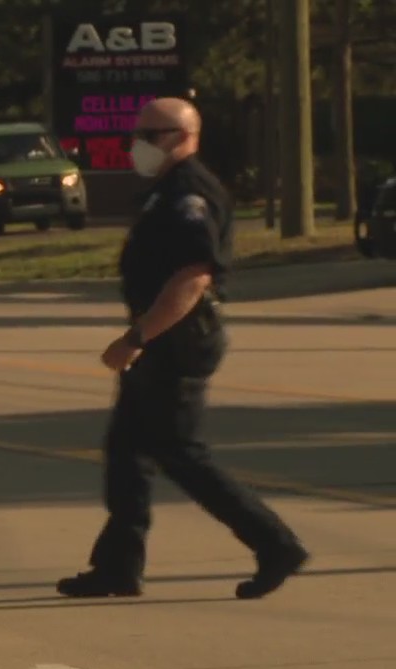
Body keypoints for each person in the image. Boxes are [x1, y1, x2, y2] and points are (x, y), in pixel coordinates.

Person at [56, 97, 309, 601]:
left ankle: (275, 544)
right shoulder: (163, 190)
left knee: (181, 453)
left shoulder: (192, 192)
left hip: (178, 337)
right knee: (127, 452)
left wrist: (137, 337)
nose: (139, 143)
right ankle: (118, 567)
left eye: (151, 134)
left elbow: (193, 276)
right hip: (159, 335)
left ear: (184, 137)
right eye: (138, 132)